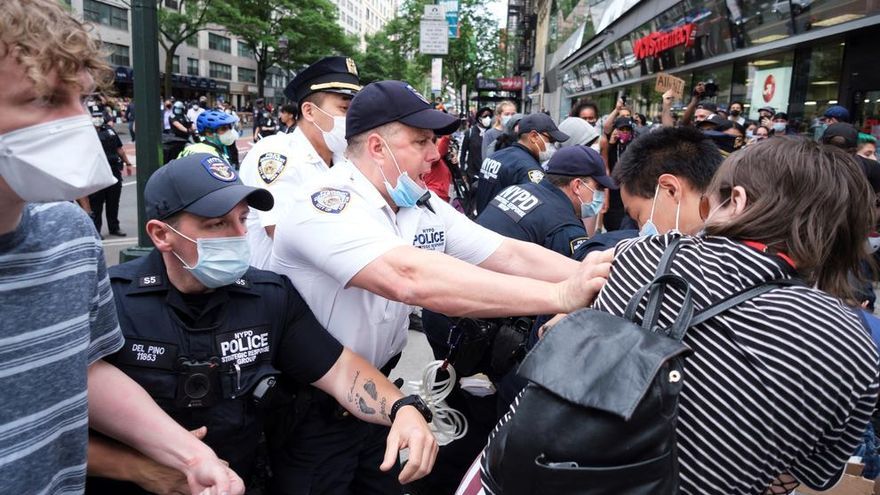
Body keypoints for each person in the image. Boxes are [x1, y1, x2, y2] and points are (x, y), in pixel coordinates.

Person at [479, 136, 880, 495]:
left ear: (736, 201)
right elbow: (811, 472)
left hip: (545, 473)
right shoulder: (854, 344)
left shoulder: (644, 255)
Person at [268, 80, 612, 495]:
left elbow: (506, 253)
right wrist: (560, 296)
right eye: (422, 141)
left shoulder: (418, 204)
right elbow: (410, 278)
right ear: (377, 147)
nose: (435, 154)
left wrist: (592, 276)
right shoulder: (324, 205)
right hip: (312, 412)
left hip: (381, 401)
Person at [0, 1, 243, 493]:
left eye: (82, 100)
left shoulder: (68, 232)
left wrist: (190, 455)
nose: (77, 123)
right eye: (45, 100)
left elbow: (79, 369)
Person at [86, 153, 436, 494]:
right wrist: (144, 472)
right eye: (217, 224)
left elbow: (341, 370)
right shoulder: (109, 302)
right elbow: (49, 432)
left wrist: (401, 408)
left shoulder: (268, 297)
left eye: (242, 219)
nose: (239, 234)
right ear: (161, 235)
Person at [239, 56, 361, 269]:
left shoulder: (342, 158)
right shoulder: (277, 154)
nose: (352, 118)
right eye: (344, 109)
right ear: (310, 111)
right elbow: (281, 233)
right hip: (277, 290)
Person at [476, 145, 614, 256]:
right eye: (599, 187)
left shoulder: (516, 189)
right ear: (577, 186)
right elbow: (570, 281)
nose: (601, 194)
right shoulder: (566, 229)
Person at [474, 113, 569, 215]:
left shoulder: (496, 156)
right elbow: (539, 211)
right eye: (551, 140)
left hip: (483, 221)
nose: (553, 146)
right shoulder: (528, 169)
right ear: (533, 137)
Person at [88, 102, 132, 238]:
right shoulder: (87, 132)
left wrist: (128, 163)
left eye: (99, 116)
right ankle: (96, 230)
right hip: (96, 172)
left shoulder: (110, 130)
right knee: (96, 204)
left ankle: (114, 227)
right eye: (94, 116)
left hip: (113, 170)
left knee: (113, 201)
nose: (97, 118)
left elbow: (119, 148)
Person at [603, 116, 637, 231]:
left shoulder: (634, 145)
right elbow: (604, 160)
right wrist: (611, 144)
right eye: (622, 129)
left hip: (628, 188)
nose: (625, 132)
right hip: (613, 190)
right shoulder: (611, 145)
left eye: (628, 130)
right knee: (611, 220)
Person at [459, 106, 493, 183]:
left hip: (489, 175)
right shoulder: (470, 133)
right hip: (473, 174)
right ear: (479, 118)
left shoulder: (493, 133)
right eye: (485, 116)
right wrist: (463, 172)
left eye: (490, 116)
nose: (488, 118)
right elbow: (462, 153)